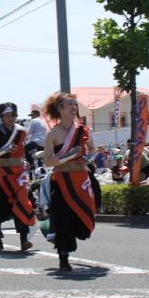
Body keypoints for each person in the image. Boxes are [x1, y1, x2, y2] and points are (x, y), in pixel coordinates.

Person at [42, 91, 97, 272]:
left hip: (81, 178)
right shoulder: (53, 133)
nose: (74, 107)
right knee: (62, 217)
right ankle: (63, 257)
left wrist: (87, 159)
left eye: (75, 104)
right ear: (60, 109)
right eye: (70, 104)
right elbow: (48, 161)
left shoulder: (83, 130)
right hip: (62, 179)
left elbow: (93, 150)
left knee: (85, 217)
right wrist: (68, 156)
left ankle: (67, 232)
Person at [0, 102, 36, 252]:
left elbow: (23, 150)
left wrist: (27, 161)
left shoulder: (21, 131)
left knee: (24, 202)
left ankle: (24, 240)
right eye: (7, 115)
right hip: (2, 173)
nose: (10, 118)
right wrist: (4, 149)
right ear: (2, 117)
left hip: (19, 174)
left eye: (13, 115)